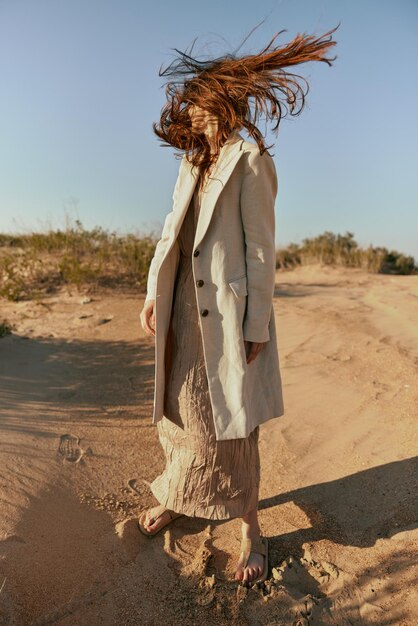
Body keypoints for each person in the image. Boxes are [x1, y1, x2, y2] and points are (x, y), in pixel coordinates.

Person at [139, 24, 338, 586]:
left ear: (221, 104)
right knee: (181, 413)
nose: (191, 113)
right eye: (189, 105)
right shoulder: (191, 162)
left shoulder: (249, 161)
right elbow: (168, 235)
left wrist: (256, 325)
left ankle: (252, 530)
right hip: (181, 306)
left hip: (226, 318)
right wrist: (155, 289)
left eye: (199, 104)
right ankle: (180, 494)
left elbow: (260, 252)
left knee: (232, 425)